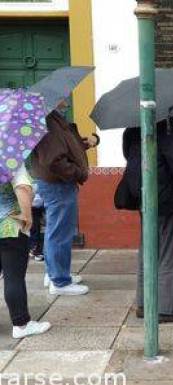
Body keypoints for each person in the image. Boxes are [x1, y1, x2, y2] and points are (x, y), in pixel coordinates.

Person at [124, 117, 173, 323]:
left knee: (147, 249)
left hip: (143, 196)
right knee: (169, 253)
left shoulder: (133, 126)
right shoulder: (167, 130)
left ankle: (143, 303)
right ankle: (165, 309)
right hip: (167, 200)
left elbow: (128, 156)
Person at [30, 100, 98, 295]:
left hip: (56, 182)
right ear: (52, 99)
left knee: (56, 228)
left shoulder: (54, 120)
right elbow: (53, 159)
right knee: (59, 231)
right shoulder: (49, 122)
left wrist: (88, 143)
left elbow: (65, 148)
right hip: (58, 183)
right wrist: (77, 172)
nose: (67, 101)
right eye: (63, 98)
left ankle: (54, 273)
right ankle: (59, 282)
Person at [0, 164, 51, 338]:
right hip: (10, 226)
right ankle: (21, 324)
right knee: (13, 276)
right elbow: (22, 187)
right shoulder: (9, 158)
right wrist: (27, 217)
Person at [29, 182, 44, 262]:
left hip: (37, 203)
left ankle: (35, 249)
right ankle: (35, 249)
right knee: (35, 227)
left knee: (35, 227)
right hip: (34, 204)